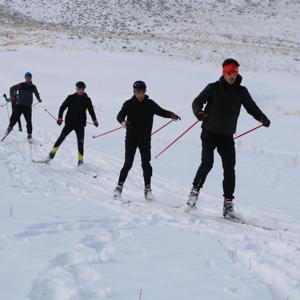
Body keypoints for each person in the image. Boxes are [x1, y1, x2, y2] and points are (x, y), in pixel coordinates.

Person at [187, 58, 271, 218]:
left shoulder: (241, 91)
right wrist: (198, 111)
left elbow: (251, 107)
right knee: (207, 163)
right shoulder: (213, 88)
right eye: (229, 73)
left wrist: (262, 118)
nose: (232, 76)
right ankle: (193, 193)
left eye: (235, 72)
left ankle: (228, 206)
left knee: (230, 169)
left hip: (226, 136)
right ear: (224, 73)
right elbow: (197, 102)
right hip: (209, 132)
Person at [114, 80, 181, 200]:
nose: (141, 94)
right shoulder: (128, 104)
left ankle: (147, 189)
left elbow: (161, 111)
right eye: (138, 92)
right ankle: (119, 188)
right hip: (131, 138)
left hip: (145, 139)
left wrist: (172, 115)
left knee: (146, 164)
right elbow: (119, 115)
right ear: (134, 92)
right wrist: (123, 122)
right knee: (128, 163)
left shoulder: (150, 104)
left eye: (143, 91)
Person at [47, 81, 99, 166]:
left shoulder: (87, 99)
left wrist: (94, 120)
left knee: (80, 143)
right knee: (61, 138)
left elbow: (91, 110)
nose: (81, 90)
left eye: (83, 89)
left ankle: (80, 161)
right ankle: (51, 154)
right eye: (79, 89)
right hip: (69, 124)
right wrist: (60, 118)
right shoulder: (71, 97)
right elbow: (62, 107)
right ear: (76, 89)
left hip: (80, 125)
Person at [5, 72, 42, 140]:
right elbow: (12, 88)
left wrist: (38, 98)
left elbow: (36, 93)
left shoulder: (33, 87)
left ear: (31, 78)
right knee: (14, 117)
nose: (28, 78)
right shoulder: (21, 85)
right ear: (25, 78)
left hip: (27, 107)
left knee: (28, 121)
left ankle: (29, 134)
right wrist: (12, 96)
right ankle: (9, 128)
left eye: (29, 77)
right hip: (20, 105)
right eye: (27, 77)